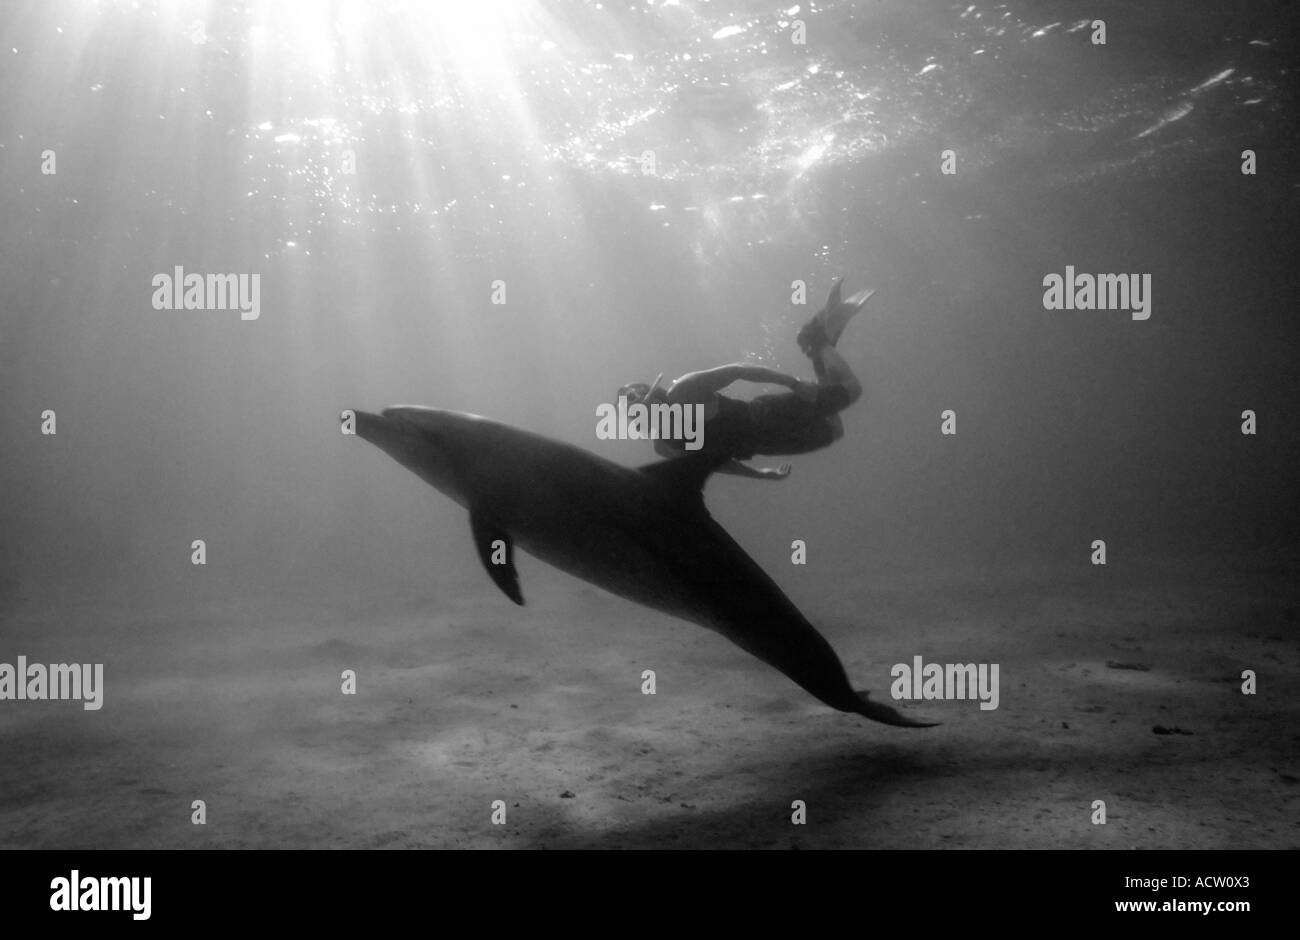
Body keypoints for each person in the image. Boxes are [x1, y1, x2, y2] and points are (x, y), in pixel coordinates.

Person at [618, 277, 874, 480]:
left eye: (633, 396)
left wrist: (794, 383)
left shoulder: (684, 390)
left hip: (772, 413)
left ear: (647, 390)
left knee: (853, 389)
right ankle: (819, 342)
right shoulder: (664, 447)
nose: (634, 404)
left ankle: (816, 342)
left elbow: (739, 370)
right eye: (630, 408)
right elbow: (718, 463)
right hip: (766, 445)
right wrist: (761, 475)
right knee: (835, 430)